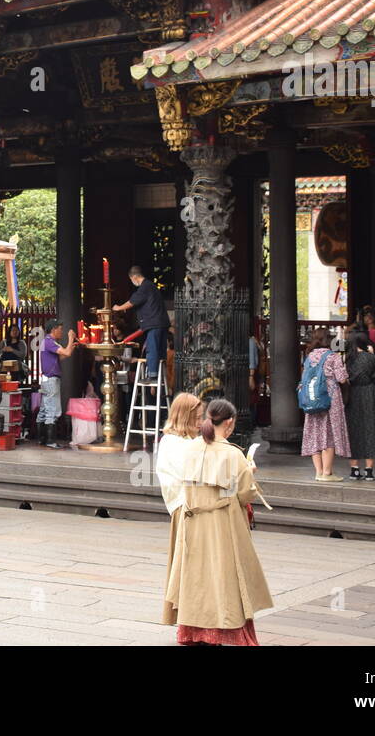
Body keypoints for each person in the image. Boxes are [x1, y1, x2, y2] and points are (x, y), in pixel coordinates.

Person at [161, 398, 272, 645]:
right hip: (222, 523)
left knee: (197, 579)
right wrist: (248, 471)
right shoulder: (233, 454)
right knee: (224, 578)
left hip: (192, 523)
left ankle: (194, 631)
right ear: (230, 423)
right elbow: (244, 493)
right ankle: (224, 628)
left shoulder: (188, 448)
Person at [300, 328, 350, 482]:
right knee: (329, 434)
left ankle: (318, 472)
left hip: (312, 398)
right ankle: (327, 473)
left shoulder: (309, 357)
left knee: (314, 434)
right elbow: (342, 379)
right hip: (329, 399)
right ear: (328, 340)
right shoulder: (333, 356)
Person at [114, 266, 167, 383]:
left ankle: (152, 375)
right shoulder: (151, 286)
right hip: (161, 323)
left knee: (152, 349)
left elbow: (132, 302)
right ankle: (161, 374)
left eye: (131, 280)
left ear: (134, 277)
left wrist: (119, 308)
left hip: (153, 324)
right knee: (160, 350)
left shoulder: (145, 287)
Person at [155, 392, 204, 516]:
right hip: (184, 506)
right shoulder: (171, 441)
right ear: (185, 418)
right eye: (197, 418)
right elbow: (192, 473)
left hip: (192, 504)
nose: (201, 422)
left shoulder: (187, 439)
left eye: (201, 417)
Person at [344, 335, 375, 481]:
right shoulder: (372, 358)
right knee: (370, 429)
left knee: (353, 430)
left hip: (352, 395)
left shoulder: (346, 359)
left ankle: (354, 470)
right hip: (369, 394)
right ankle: (369, 470)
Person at [35, 320, 76, 449]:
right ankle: (50, 441)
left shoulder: (46, 342)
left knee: (44, 409)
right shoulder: (49, 341)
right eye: (60, 329)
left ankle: (41, 438)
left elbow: (60, 357)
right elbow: (66, 353)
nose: (62, 332)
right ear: (53, 329)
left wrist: (71, 346)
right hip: (51, 380)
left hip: (46, 379)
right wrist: (70, 339)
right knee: (52, 409)